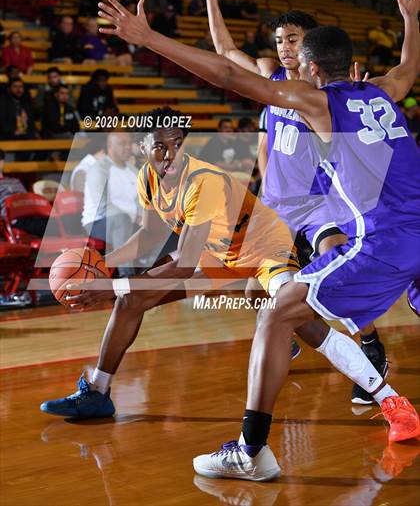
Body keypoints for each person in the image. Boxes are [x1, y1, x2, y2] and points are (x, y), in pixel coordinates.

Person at [96, 0, 420, 473]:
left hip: (382, 236)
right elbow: (407, 68)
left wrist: (150, 40)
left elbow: (226, 72)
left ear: (311, 68)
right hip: (373, 225)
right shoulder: (383, 93)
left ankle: (251, 451)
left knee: (276, 315)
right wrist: (412, 22)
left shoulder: (316, 101)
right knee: (270, 301)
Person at [40, 109, 411, 446]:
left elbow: (184, 264)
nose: (169, 155)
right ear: (143, 148)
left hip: (265, 247)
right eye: (159, 147)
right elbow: (150, 237)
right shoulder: (147, 179)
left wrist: (108, 285)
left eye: (176, 145)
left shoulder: (204, 180)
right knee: (131, 299)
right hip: (221, 253)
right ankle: (97, 393)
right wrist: (102, 264)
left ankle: (391, 401)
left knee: (307, 326)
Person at [204, 0, 387, 405]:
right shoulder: (270, 80)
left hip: (320, 204)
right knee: (251, 289)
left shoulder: (324, 93)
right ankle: (285, 333)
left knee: (338, 279)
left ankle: (371, 347)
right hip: (278, 206)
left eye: (294, 39)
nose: (285, 47)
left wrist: (358, 88)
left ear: (312, 49)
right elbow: (226, 53)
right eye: (280, 39)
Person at [80, 132, 140, 277]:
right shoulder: (98, 169)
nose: (127, 147)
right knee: (121, 220)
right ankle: (127, 276)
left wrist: (147, 217)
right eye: (122, 143)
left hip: (130, 220)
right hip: (98, 222)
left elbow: (143, 200)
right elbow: (103, 206)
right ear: (110, 146)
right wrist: (135, 217)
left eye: (129, 143)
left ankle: (165, 274)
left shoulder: (134, 170)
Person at [0, 149, 47, 236]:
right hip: (13, 219)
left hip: (30, 215)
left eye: (1, 159)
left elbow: (27, 199)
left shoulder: (15, 181)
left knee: (57, 222)